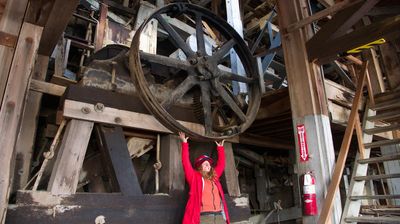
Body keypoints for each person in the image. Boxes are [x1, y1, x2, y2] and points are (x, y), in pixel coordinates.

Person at [179, 132, 230, 224]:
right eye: (205, 163)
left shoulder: (214, 177)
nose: (208, 165)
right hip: (205, 217)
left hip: (219, 216)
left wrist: (220, 148)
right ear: (200, 167)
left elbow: (221, 165)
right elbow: (185, 162)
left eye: (209, 164)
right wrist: (184, 143)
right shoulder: (194, 177)